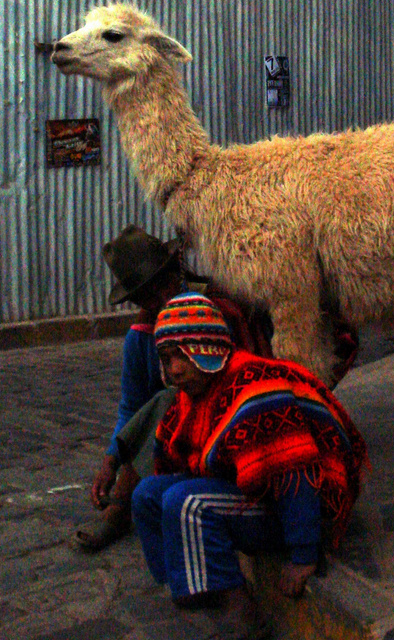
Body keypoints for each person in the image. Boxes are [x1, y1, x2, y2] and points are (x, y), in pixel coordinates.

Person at [131, 293, 368, 640]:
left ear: (207, 348)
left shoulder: (255, 390)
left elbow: (295, 470)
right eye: (167, 358)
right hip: (252, 491)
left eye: (182, 354)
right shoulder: (195, 393)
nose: (174, 369)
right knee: (148, 494)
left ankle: (242, 611)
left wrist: (304, 554)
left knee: (188, 502)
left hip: (303, 506)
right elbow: (175, 458)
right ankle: (195, 585)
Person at [75, 225, 273, 552]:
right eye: (146, 297)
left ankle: (122, 507)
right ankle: (128, 502)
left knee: (169, 401)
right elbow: (132, 406)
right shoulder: (141, 336)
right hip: (176, 428)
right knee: (164, 404)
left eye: (162, 286)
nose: (160, 300)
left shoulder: (219, 305)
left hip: (234, 411)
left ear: (174, 273)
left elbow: (249, 369)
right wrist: (112, 457)